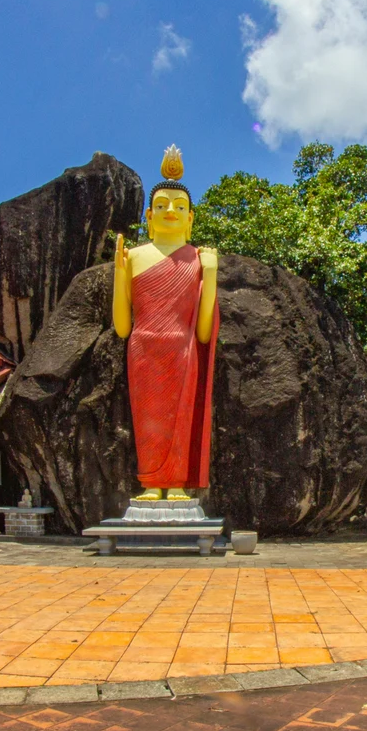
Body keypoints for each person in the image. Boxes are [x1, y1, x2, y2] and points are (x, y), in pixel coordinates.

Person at [113, 145, 219, 502]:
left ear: (191, 218)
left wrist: (211, 274)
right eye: (161, 206)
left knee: (179, 418)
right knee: (148, 420)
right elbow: (122, 328)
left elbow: (203, 332)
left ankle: (176, 482)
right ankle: (151, 482)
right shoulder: (133, 257)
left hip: (182, 350)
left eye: (179, 207)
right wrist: (118, 274)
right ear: (148, 215)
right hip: (143, 349)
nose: (170, 211)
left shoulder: (197, 259)